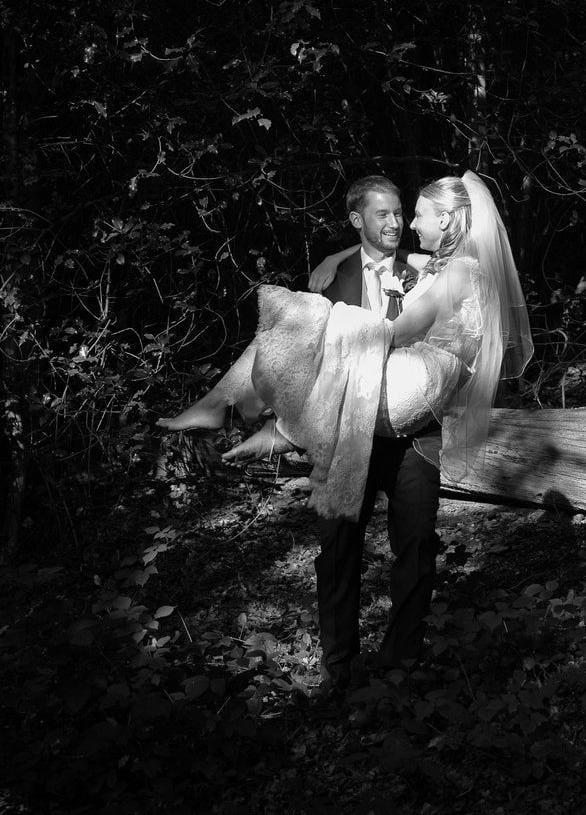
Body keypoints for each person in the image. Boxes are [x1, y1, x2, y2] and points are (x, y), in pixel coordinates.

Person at [157, 170, 532, 697]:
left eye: (413, 214)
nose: (404, 225)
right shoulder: (434, 264)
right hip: (367, 413)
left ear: (444, 220)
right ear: (358, 221)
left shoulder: (450, 268)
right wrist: (336, 263)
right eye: (392, 215)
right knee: (337, 549)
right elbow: (411, 266)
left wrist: (329, 319)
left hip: (409, 415)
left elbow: (399, 329)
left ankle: (254, 418)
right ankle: (340, 668)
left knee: (302, 320)